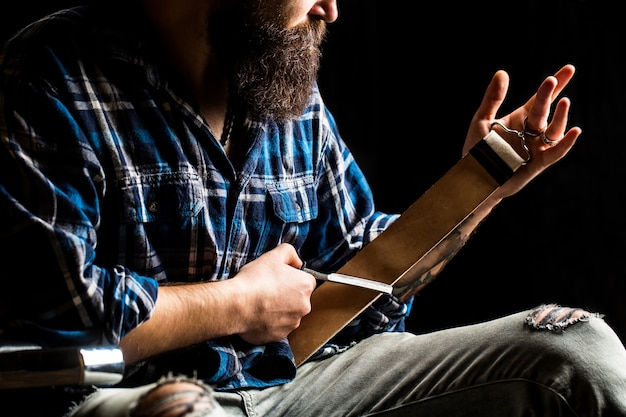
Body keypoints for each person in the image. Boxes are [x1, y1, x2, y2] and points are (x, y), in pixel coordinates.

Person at [1, 0, 626, 416]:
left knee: (580, 356)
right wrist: (237, 304)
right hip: (131, 400)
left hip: (292, 387)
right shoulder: (52, 76)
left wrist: (481, 181)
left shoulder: (281, 89)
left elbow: (359, 276)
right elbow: (51, 329)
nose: (330, 8)